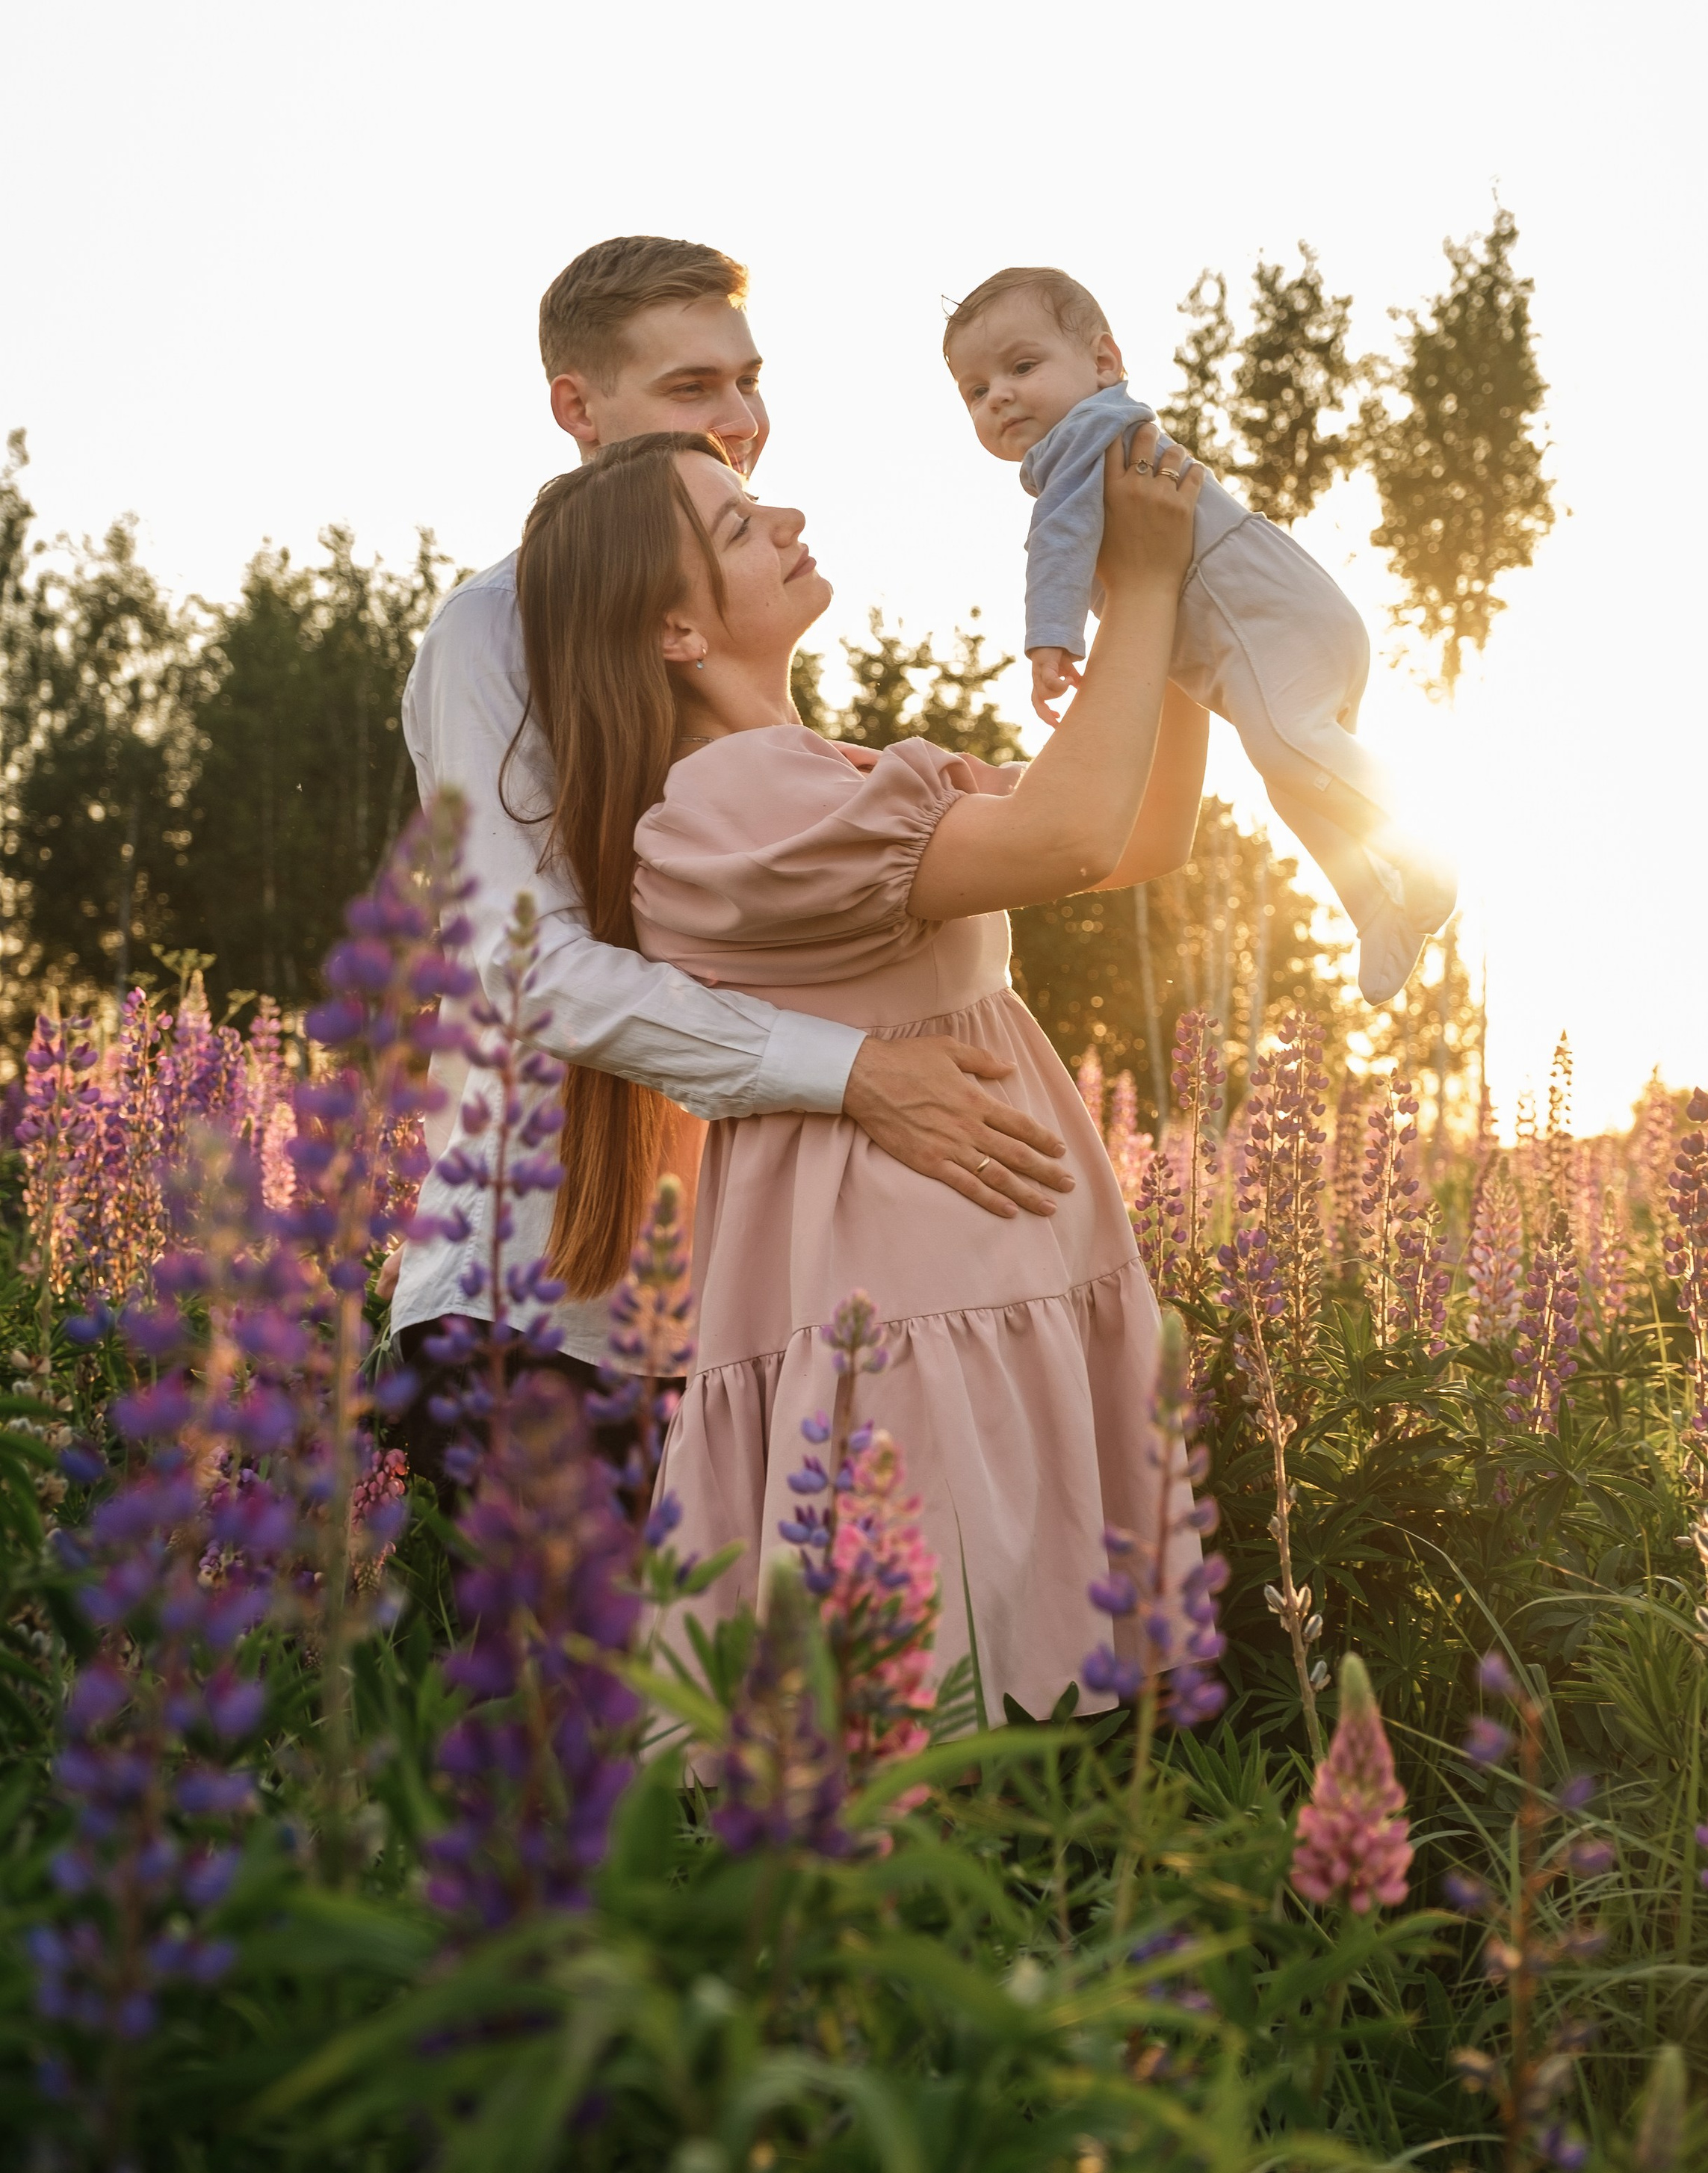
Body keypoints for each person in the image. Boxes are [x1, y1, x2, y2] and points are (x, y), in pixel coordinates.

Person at [512, 421, 1209, 1719]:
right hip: (906, 1303)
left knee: (987, 1749)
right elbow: (1067, 836)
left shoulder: (818, 776)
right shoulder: (732, 807)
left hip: (991, 1266)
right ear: (675, 632)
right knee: (924, 1741)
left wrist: (1165, 617)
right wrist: (1155, 586)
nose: (780, 524)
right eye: (735, 525)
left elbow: (1136, 835)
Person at [390, 237, 1074, 1382]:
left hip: (733, 1314)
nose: (743, 420)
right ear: (578, 403)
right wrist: (848, 1069)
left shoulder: (736, 624)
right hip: (542, 1321)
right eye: (693, 389)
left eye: (750, 381)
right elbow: (525, 965)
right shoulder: (495, 630)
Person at [944, 264, 1457, 1005]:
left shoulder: (1086, 436)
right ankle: (1377, 908)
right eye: (976, 391)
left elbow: (1057, 545)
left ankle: (1418, 845)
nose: (1000, 397)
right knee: (1294, 782)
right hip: (1276, 627)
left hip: (1264, 617)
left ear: (1103, 362)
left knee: (1286, 749)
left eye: (1022, 367)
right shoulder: (1090, 447)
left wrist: (1050, 637)